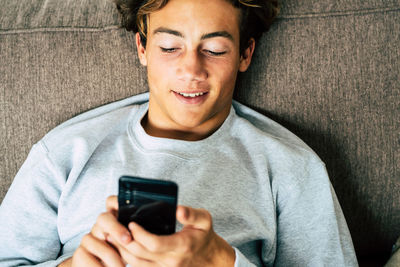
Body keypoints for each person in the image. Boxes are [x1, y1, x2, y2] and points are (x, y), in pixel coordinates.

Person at [0, 0, 358, 266]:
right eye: (170, 47)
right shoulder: (65, 152)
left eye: (215, 49)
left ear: (245, 54)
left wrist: (221, 261)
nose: (191, 70)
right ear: (142, 48)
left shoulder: (291, 167)